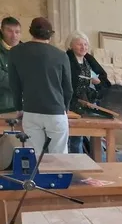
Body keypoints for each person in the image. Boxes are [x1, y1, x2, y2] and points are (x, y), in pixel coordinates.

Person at [8, 17, 71, 155]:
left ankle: (35, 177)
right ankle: (58, 176)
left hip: (31, 110)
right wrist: (65, 108)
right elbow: (68, 88)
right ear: (50, 34)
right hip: (56, 111)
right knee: (59, 155)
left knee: (34, 154)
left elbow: (14, 84)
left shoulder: (15, 52)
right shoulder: (61, 55)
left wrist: (18, 107)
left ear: (31, 31)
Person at [65, 31, 110, 154]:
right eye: (79, 44)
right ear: (71, 45)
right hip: (72, 104)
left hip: (89, 103)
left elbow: (103, 79)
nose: (83, 47)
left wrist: (98, 83)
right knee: (75, 138)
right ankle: (76, 164)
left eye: (85, 44)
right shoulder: (66, 60)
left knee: (96, 136)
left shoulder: (89, 60)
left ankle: (97, 163)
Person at [0, 16, 22, 113]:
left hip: (26, 108)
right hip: (4, 107)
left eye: (17, 32)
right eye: (9, 31)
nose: (14, 36)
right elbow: (2, 78)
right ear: (2, 31)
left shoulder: (27, 51)